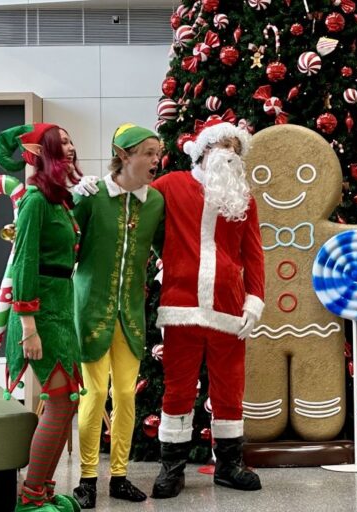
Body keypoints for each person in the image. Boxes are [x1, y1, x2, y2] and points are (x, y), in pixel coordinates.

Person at [149, 117, 265, 499]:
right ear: (202, 151)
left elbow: (254, 254)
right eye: (222, 145)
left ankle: (229, 465)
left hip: (229, 309)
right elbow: (136, 211)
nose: (229, 153)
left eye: (235, 148)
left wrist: (254, 301)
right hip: (181, 307)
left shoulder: (244, 199)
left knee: (230, 388)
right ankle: (172, 468)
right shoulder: (170, 186)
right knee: (178, 388)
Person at [70, 124, 165, 508]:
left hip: (130, 314)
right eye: (148, 153)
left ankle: (120, 477)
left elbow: (168, 249)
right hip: (90, 310)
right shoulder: (92, 197)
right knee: (94, 394)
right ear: (123, 155)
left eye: (158, 153)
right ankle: (87, 479)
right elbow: (63, 241)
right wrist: (72, 196)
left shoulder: (155, 202)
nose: (156, 160)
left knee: (125, 394)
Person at [0, 123, 84, 512]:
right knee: (60, 402)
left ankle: (44, 490)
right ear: (42, 153)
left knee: (68, 401)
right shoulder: (34, 201)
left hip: (60, 308)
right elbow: (24, 261)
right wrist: (28, 326)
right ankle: (30, 497)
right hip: (40, 313)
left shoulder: (59, 201)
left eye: (70, 141)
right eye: (61, 143)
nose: (71, 147)